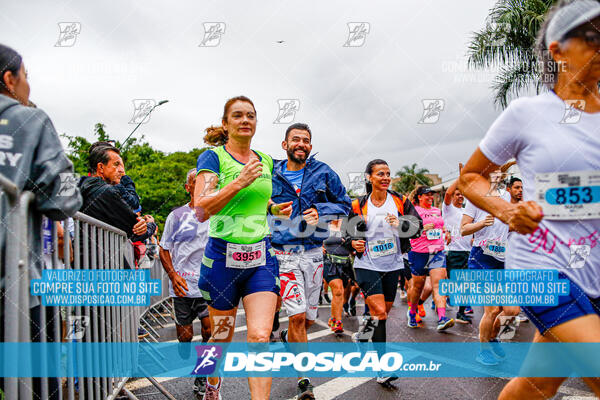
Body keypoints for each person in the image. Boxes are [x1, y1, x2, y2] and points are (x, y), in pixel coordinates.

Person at [460, 1, 600, 397]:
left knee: (537, 385)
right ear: (556, 50)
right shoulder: (528, 113)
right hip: (542, 267)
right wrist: (506, 210)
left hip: (594, 273)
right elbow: (470, 178)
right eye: (592, 33)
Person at [194, 96, 292, 400]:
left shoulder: (265, 159)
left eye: (250, 115)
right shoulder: (212, 158)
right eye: (237, 115)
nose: (245, 120)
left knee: (260, 338)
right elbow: (201, 208)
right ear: (226, 124)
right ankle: (210, 382)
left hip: (260, 257)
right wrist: (237, 182)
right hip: (222, 258)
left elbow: (260, 200)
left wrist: (273, 210)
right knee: (220, 337)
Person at [0, 43, 82, 400]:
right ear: (9, 79)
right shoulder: (28, 119)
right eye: (26, 76)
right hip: (15, 286)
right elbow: (64, 199)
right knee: (35, 389)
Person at [268, 122, 351, 399]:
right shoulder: (272, 172)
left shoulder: (323, 172)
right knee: (298, 315)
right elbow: (257, 202)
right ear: (285, 145)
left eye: (305, 140)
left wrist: (321, 209)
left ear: (310, 147)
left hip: (315, 253)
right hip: (284, 253)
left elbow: (346, 204)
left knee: (310, 320)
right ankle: (304, 379)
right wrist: (270, 208)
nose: (300, 144)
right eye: (295, 139)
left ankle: (288, 339)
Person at [346, 159, 422, 387]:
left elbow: (416, 226)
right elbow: (348, 233)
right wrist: (354, 244)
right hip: (366, 264)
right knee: (380, 313)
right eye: (380, 173)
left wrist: (400, 223)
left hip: (392, 264)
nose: (386, 177)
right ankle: (382, 368)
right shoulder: (359, 205)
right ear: (369, 177)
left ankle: (361, 336)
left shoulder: (400, 201)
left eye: (388, 173)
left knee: (383, 311)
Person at [159, 168, 211, 398]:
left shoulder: (218, 215)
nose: (200, 186)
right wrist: (173, 275)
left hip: (208, 285)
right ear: (188, 188)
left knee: (210, 329)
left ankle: (203, 376)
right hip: (181, 286)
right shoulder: (177, 216)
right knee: (186, 337)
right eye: (194, 182)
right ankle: (184, 344)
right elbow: (164, 249)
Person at [460, 165, 518, 366]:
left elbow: (509, 231)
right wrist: (481, 224)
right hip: (481, 259)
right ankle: (483, 350)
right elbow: (463, 229)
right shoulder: (474, 201)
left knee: (512, 311)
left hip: (502, 260)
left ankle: (493, 337)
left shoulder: (504, 200)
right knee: (492, 309)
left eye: (501, 176)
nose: (498, 179)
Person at [78, 143, 156, 242]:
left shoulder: (80, 185)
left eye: (122, 166)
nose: (122, 171)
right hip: (101, 255)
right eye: (116, 164)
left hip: (80, 253)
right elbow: (135, 233)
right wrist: (150, 224)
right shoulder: (107, 192)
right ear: (101, 167)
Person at [407, 186, 454, 331]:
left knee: (439, 285)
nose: (430, 197)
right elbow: (405, 231)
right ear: (419, 197)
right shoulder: (413, 211)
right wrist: (422, 229)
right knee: (418, 286)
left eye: (431, 195)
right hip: (418, 252)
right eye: (426, 195)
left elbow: (441, 226)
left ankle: (442, 318)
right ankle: (412, 312)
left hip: (437, 251)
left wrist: (446, 232)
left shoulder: (436, 210)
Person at [442, 166, 474, 324]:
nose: (460, 196)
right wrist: (461, 178)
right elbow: (447, 193)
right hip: (453, 252)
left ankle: (461, 312)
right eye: (457, 194)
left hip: (468, 251)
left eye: (462, 194)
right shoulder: (448, 209)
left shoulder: (466, 211)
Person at [322, 219, 354, 333]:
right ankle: (337, 322)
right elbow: (310, 239)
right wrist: (319, 246)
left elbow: (354, 241)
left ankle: (333, 317)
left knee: (344, 290)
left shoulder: (347, 224)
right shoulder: (323, 223)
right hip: (328, 263)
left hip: (345, 264)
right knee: (338, 290)